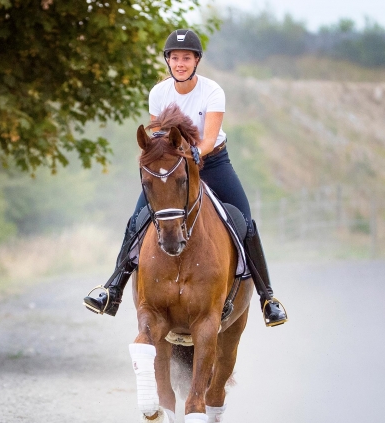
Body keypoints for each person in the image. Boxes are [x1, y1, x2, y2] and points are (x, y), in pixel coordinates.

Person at [83, 29, 288, 327]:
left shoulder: (212, 91)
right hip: (173, 168)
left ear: (196, 61)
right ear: (168, 61)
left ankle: (267, 299)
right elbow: (158, 139)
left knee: (243, 219)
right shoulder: (159, 93)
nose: (180, 63)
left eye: (186, 58)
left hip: (211, 161)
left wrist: (192, 155)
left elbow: (209, 139)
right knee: (137, 219)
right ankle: (112, 288)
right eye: (175, 58)